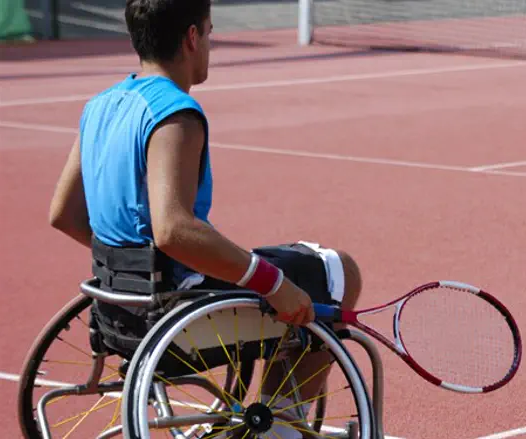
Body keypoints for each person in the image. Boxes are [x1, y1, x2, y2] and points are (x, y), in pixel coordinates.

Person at [47, 0, 362, 437]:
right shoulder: (174, 113)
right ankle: (277, 428)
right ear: (192, 37)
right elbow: (173, 229)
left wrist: (132, 268)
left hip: (117, 307)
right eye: (210, 33)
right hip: (173, 309)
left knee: (266, 264)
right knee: (337, 270)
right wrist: (274, 284)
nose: (210, 45)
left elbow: (62, 214)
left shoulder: (99, 106)